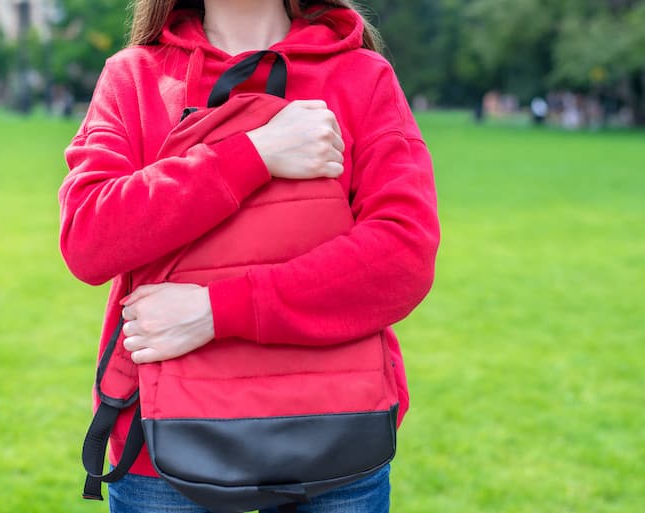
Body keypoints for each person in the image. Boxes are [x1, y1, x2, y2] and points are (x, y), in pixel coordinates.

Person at [58, 0, 440, 512]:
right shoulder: (135, 77)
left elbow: (402, 255)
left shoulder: (361, 77)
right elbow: (89, 238)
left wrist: (218, 312)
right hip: (161, 442)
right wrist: (254, 154)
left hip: (333, 434)